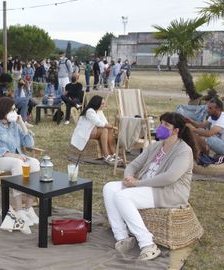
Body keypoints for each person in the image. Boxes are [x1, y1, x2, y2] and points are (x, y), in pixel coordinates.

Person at [103, 112, 198, 261]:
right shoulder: (157, 146)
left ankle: (147, 244)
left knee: (122, 196)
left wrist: (137, 184)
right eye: (161, 123)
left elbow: (169, 177)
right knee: (109, 188)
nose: (161, 127)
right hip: (145, 186)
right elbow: (135, 164)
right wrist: (128, 176)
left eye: (166, 125)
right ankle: (123, 237)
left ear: (176, 130)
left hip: (168, 192)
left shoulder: (184, 151)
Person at [0, 97, 40, 227]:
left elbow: (30, 143)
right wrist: (15, 156)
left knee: (35, 163)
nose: (15, 112)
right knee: (18, 164)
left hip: (17, 157)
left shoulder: (15, 125)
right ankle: (18, 209)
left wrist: (22, 123)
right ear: (4, 111)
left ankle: (28, 208)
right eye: (13, 109)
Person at [70, 95, 119, 164]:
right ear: (96, 103)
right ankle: (106, 155)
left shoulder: (99, 111)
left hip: (92, 130)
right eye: (102, 104)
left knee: (109, 129)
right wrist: (113, 127)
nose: (103, 105)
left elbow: (105, 122)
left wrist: (111, 127)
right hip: (84, 132)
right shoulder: (89, 111)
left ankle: (113, 153)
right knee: (105, 130)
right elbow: (98, 123)